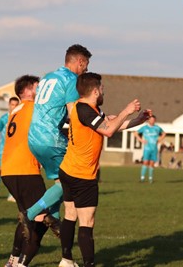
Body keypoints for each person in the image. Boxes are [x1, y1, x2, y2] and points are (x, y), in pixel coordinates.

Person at [58, 72, 150, 267]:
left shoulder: (87, 108)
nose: (103, 91)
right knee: (86, 222)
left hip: (69, 169)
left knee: (70, 214)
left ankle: (66, 261)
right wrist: (126, 110)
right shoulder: (84, 110)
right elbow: (108, 131)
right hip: (82, 175)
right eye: (102, 89)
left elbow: (110, 125)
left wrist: (138, 120)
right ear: (94, 90)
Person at [20, 44, 92, 238]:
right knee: (69, 184)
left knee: (61, 181)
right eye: (86, 65)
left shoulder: (48, 77)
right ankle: (31, 214)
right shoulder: (71, 80)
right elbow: (73, 114)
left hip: (34, 137)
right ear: (80, 61)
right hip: (51, 139)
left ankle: (52, 218)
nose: (86, 69)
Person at [1, 75, 49, 267]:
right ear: (26, 91)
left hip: (9, 170)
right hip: (25, 170)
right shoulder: (32, 108)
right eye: (37, 87)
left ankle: (13, 259)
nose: (40, 90)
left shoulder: (15, 110)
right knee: (43, 219)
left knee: (28, 216)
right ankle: (21, 263)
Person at [133, 115, 166, 183]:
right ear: (148, 120)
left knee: (152, 164)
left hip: (154, 148)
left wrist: (159, 140)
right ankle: (142, 178)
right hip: (147, 148)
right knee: (145, 163)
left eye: (153, 120)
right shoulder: (145, 128)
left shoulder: (157, 128)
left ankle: (150, 179)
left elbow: (164, 133)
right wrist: (141, 140)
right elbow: (136, 133)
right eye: (151, 119)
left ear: (155, 120)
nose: (152, 121)